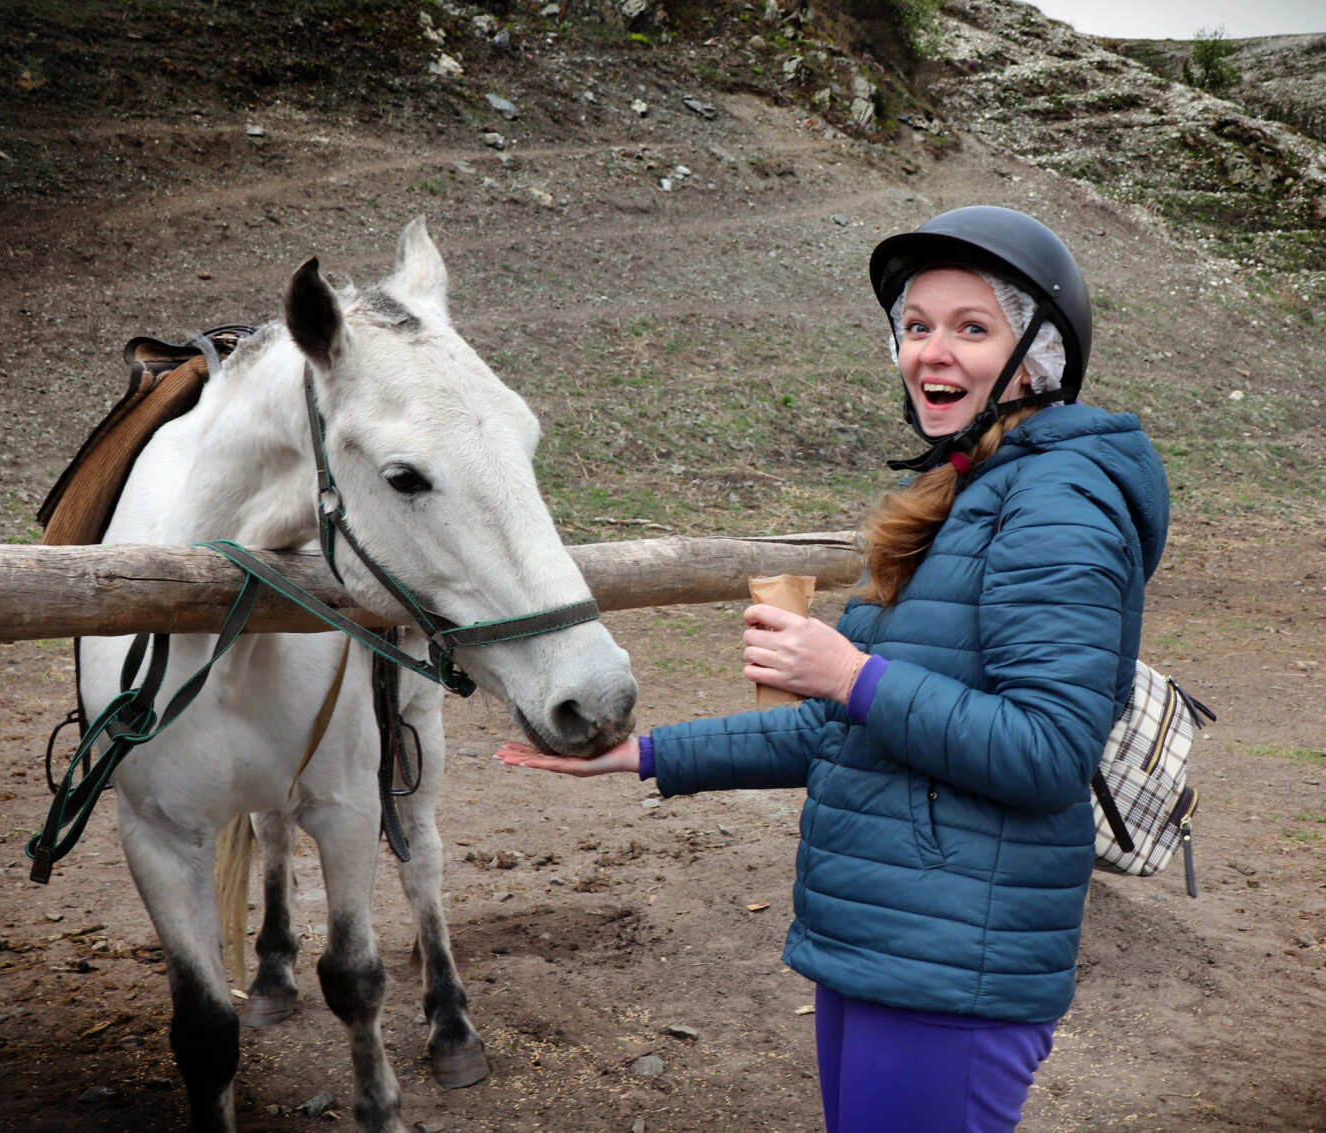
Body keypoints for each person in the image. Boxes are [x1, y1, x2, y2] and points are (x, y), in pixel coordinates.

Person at [497, 206, 1168, 1131]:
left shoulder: (1059, 506)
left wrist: (851, 672)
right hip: (883, 938)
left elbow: (1049, 749)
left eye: (973, 328)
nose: (932, 351)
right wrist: (645, 756)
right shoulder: (965, 492)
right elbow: (837, 730)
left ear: (1040, 357)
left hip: (952, 962)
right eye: (917, 326)